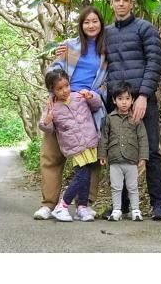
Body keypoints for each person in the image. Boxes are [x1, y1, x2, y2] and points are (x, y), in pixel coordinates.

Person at [33, 6, 107, 221]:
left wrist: (93, 95)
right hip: (61, 105)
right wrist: (56, 92)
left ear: (101, 23)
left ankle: (85, 205)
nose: (91, 25)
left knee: (91, 158)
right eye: (86, 22)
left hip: (88, 106)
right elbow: (51, 71)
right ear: (81, 25)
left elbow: (107, 84)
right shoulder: (69, 46)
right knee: (51, 156)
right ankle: (48, 204)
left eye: (95, 21)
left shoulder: (107, 51)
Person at [104, 0, 161, 221]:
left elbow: (154, 62)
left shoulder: (145, 29)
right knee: (118, 154)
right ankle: (121, 206)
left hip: (142, 101)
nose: (120, 3)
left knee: (150, 150)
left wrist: (143, 96)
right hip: (115, 103)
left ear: (132, 4)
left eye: (125, 0)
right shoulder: (107, 33)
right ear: (112, 4)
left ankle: (158, 206)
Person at [38, 68, 103, 222]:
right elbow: (47, 127)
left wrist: (91, 96)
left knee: (86, 176)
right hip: (74, 146)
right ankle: (63, 205)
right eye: (59, 89)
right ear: (52, 90)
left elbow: (97, 105)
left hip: (89, 142)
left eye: (66, 86)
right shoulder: (52, 107)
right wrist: (47, 121)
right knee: (81, 177)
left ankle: (81, 207)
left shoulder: (79, 97)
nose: (64, 90)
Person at [98, 82, 148, 221]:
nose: (124, 102)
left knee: (132, 187)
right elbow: (104, 137)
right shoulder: (109, 118)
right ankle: (117, 210)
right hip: (114, 160)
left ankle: (136, 210)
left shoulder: (136, 118)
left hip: (132, 160)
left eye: (127, 98)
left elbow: (142, 138)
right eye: (120, 99)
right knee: (116, 187)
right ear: (114, 100)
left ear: (132, 100)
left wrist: (143, 158)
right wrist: (102, 154)